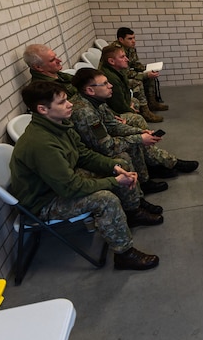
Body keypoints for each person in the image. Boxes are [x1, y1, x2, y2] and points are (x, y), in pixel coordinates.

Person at [10, 80, 163, 270]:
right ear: (43, 109)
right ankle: (124, 255)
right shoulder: (42, 143)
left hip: (59, 183)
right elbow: (70, 187)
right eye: (62, 102)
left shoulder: (58, 125)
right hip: (44, 201)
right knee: (105, 199)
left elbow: (83, 155)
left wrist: (114, 168)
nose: (70, 104)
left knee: (120, 162)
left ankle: (132, 212)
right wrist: (114, 181)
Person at [69, 68, 198, 191]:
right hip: (88, 155)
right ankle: (145, 181)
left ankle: (156, 168)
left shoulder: (96, 100)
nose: (110, 86)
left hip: (98, 145)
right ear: (90, 90)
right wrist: (139, 139)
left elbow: (112, 124)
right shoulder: (85, 113)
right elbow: (106, 146)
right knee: (133, 145)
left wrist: (139, 132)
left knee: (137, 137)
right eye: (105, 84)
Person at [111, 27, 168, 113]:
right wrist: (145, 75)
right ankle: (145, 111)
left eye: (134, 38)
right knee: (137, 82)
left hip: (124, 74)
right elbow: (124, 73)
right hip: (116, 78)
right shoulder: (115, 51)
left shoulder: (130, 47)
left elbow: (134, 64)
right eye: (130, 38)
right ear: (121, 39)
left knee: (150, 77)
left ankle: (152, 104)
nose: (133, 41)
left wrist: (147, 69)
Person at [98, 44, 150, 129]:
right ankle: (145, 136)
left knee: (135, 101)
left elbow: (125, 92)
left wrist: (129, 104)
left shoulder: (117, 71)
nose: (127, 59)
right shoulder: (111, 79)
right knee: (138, 119)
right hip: (112, 113)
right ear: (111, 61)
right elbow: (118, 106)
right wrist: (131, 109)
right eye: (122, 57)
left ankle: (135, 131)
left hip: (114, 107)